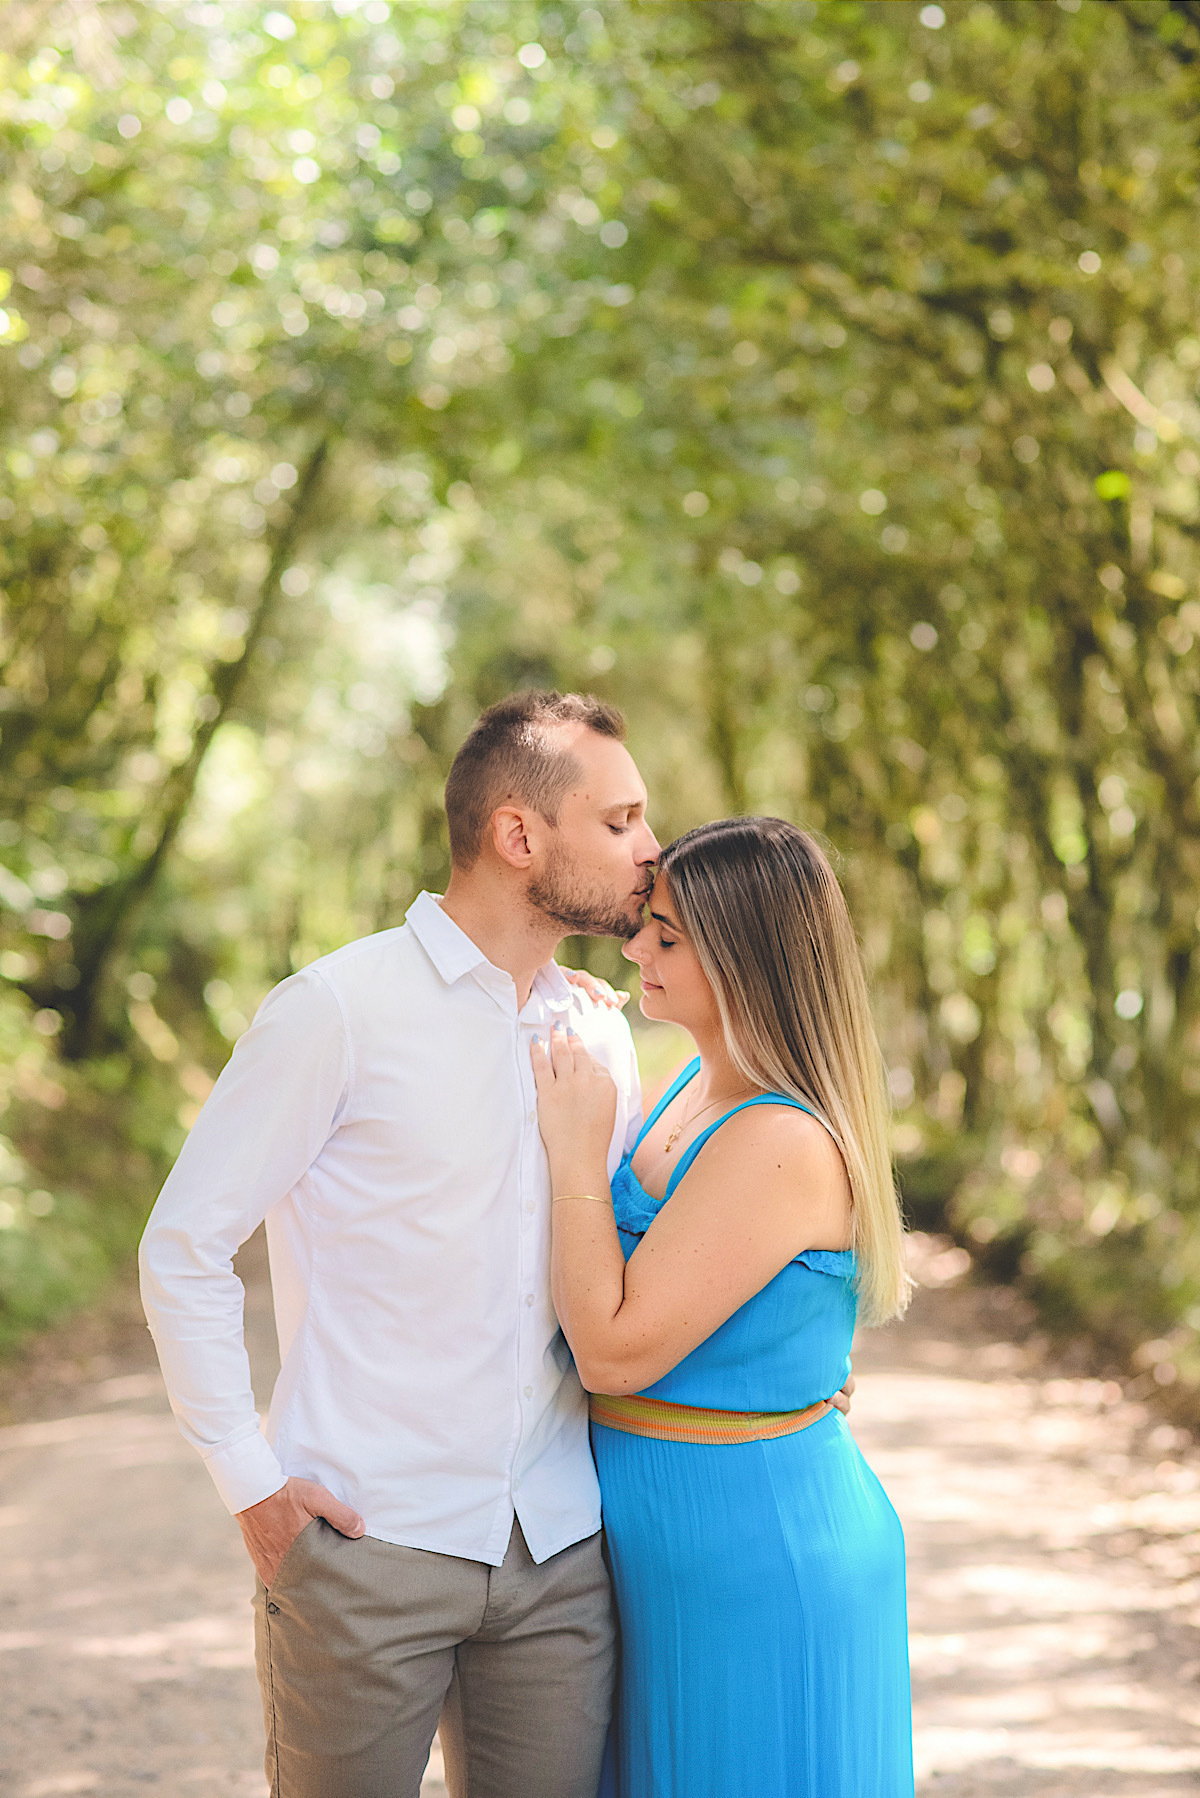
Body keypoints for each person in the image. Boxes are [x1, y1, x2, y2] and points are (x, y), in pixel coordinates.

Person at [141, 690, 853, 1798]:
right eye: (619, 821)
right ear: (521, 837)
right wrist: (253, 1485)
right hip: (367, 1548)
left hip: (562, 1559)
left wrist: (785, 1370)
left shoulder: (602, 1030)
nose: (649, 849)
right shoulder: (338, 1010)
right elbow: (184, 1245)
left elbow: (650, 1252)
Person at [531, 815, 914, 1798]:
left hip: (756, 1556)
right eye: (642, 927)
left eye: (666, 936)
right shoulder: (686, 1089)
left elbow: (614, 1352)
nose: (632, 950)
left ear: (745, 957)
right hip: (669, 1551)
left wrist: (575, 1153)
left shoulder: (777, 1137)